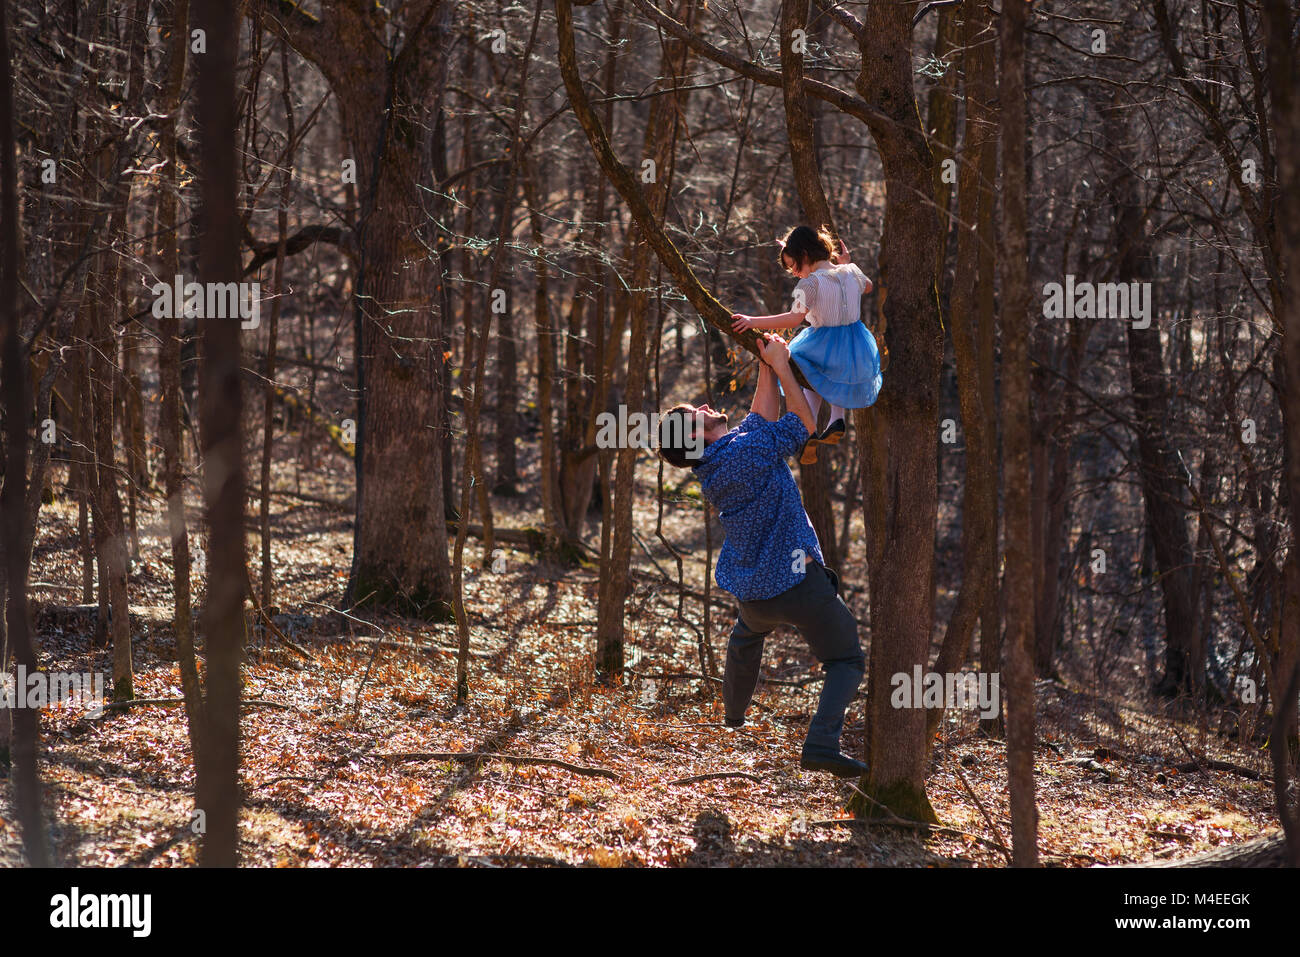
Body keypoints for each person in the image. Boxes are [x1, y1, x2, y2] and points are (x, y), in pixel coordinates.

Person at [657, 333, 867, 777]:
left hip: (755, 596)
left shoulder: (719, 460)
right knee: (846, 659)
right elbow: (803, 424)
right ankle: (822, 745)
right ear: (695, 433)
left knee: (747, 636)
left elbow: (758, 417)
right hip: (797, 584)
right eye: (697, 413)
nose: (706, 406)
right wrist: (786, 367)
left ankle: (734, 713)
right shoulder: (744, 453)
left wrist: (767, 363)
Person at [730, 225, 883, 465]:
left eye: (793, 266)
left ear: (804, 255)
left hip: (824, 340)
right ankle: (836, 419)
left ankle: (808, 424)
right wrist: (846, 262)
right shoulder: (851, 271)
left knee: (801, 364)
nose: (794, 273)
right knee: (826, 374)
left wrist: (752, 321)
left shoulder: (809, 284)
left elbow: (793, 319)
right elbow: (869, 286)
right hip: (856, 344)